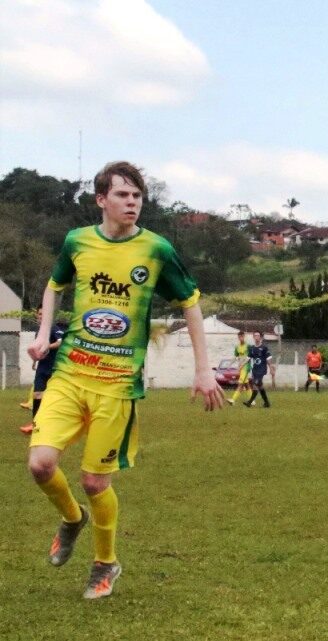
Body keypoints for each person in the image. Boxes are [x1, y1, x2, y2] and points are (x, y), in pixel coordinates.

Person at [25, 161, 223, 599]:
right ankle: (72, 519)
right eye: (122, 195)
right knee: (40, 464)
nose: (132, 202)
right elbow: (54, 285)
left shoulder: (156, 249)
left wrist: (203, 367)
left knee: (96, 482)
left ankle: (105, 563)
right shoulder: (77, 241)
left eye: (137, 196)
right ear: (101, 200)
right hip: (70, 373)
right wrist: (43, 334)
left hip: (116, 384)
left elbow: (190, 302)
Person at [19, 307, 65, 434]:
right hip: (42, 367)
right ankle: (35, 424)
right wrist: (35, 360)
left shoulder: (53, 328)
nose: (41, 316)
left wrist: (47, 346)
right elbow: (38, 349)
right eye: (39, 314)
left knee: (52, 397)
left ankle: (51, 425)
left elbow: (60, 342)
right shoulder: (40, 331)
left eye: (44, 314)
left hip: (54, 368)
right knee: (37, 394)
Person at [242, 331, 272, 408]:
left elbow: (268, 359)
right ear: (253, 337)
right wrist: (241, 365)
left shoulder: (264, 348)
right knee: (259, 386)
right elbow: (248, 358)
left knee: (256, 384)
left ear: (260, 337)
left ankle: (249, 402)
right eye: (255, 335)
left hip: (262, 369)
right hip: (255, 370)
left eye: (258, 335)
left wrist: (271, 368)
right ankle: (267, 403)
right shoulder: (252, 348)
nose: (256, 337)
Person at [226, 330, 251, 405]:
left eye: (242, 336)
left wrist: (242, 366)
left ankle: (233, 400)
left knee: (240, 384)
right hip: (240, 367)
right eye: (239, 337)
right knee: (247, 385)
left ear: (244, 337)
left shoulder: (248, 346)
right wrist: (229, 364)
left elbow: (248, 358)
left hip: (246, 367)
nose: (240, 338)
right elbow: (235, 356)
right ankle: (252, 401)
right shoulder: (237, 346)